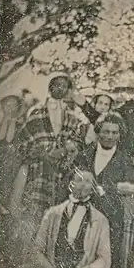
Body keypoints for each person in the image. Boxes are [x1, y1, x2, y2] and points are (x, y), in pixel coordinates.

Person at [18, 167, 112, 268]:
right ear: (70, 184)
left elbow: (104, 259)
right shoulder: (53, 213)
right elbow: (36, 250)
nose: (83, 184)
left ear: (93, 188)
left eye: (88, 181)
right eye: (79, 180)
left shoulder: (101, 220)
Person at [10, 73, 81, 230]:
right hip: (38, 168)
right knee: (33, 210)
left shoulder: (71, 116)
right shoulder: (37, 111)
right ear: (50, 87)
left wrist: (63, 151)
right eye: (56, 84)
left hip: (60, 170)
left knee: (55, 213)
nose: (60, 88)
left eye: (64, 86)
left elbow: (75, 142)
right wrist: (40, 153)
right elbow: (23, 141)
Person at [71, 113, 134, 268]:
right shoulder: (84, 155)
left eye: (114, 133)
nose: (109, 136)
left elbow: (131, 188)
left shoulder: (125, 161)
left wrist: (107, 189)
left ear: (120, 135)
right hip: (84, 214)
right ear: (98, 132)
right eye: (106, 131)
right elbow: (71, 181)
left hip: (111, 218)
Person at [0, 95, 25, 207]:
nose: (10, 108)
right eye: (7, 104)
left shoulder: (21, 127)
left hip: (12, 163)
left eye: (13, 105)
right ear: (3, 106)